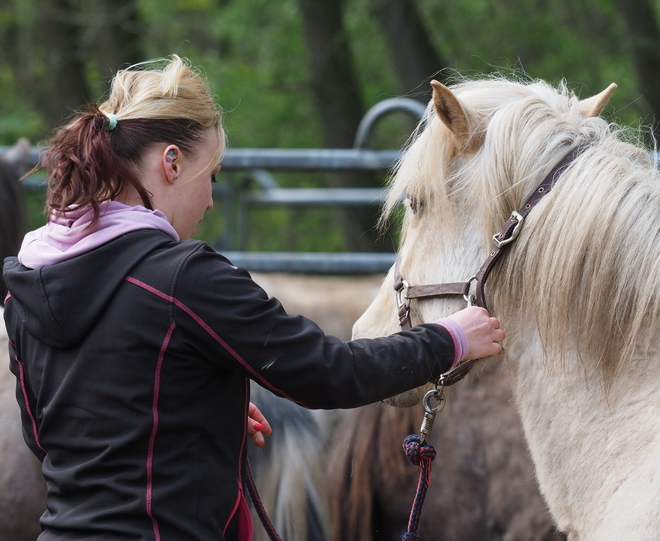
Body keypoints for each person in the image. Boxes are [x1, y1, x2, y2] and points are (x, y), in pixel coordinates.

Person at [2, 55, 504, 541]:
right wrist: (449, 339)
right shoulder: (182, 278)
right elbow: (330, 373)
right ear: (171, 163)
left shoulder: (28, 282)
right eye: (212, 175)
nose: (212, 200)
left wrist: (185, 411)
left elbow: (49, 440)